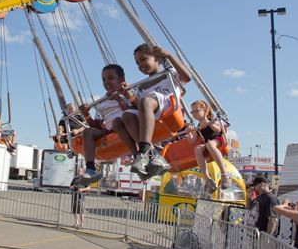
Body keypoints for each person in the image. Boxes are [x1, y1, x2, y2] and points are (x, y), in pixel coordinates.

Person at [122, 44, 191, 179]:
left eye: (143, 59)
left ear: (156, 58)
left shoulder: (169, 73)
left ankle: (143, 151)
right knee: (127, 115)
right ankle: (152, 155)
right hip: (152, 112)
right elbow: (139, 107)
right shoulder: (141, 86)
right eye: (137, 62)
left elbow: (187, 77)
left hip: (168, 106)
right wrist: (128, 94)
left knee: (148, 100)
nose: (140, 64)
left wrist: (168, 56)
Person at [79, 64, 137, 178]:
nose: (107, 83)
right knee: (88, 132)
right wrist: (86, 115)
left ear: (121, 80)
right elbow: (97, 126)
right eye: (104, 80)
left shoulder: (129, 92)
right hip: (110, 129)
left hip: (127, 124)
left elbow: (136, 111)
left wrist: (119, 99)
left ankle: (138, 155)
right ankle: (90, 169)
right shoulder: (101, 102)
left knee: (117, 122)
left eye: (111, 78)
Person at [186, 100, 231, 193]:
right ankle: (208, 179)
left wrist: (208, 123)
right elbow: (192, 141)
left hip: (217, 140)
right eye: (192, 112)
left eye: (196, 111)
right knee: (197, 148)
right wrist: (189, 133)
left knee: (210, 144)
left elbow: (218, 131)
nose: (194, 114)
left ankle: (224, 174)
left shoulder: (213, 120)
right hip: (207, 143)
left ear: (205, 110)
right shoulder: (197, 127)